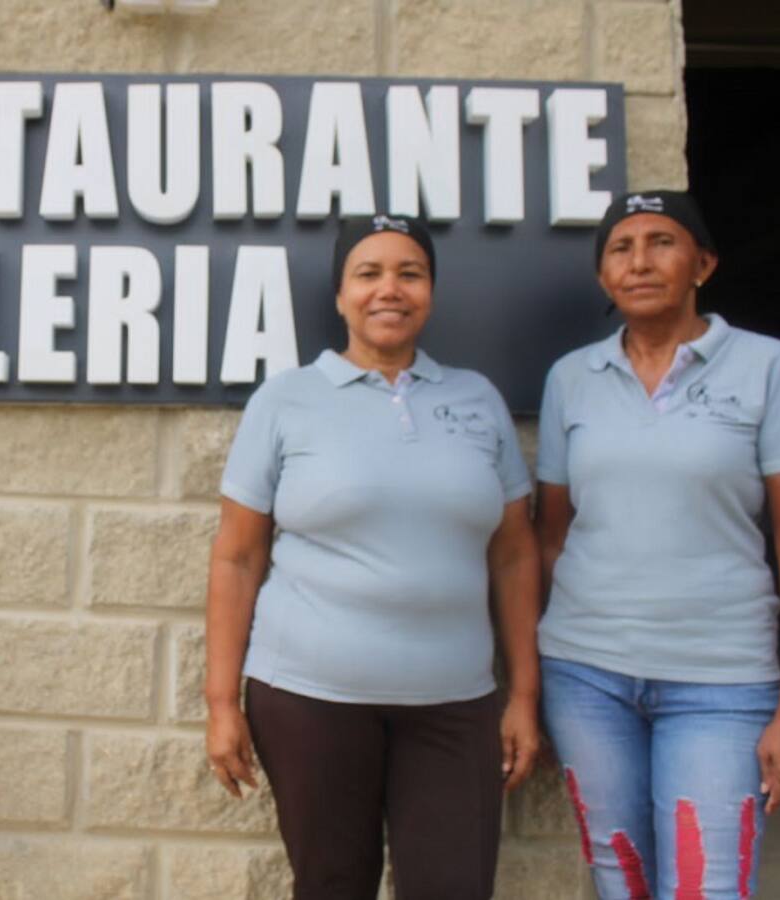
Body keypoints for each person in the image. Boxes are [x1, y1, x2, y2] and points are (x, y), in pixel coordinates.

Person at [204, 214, 541, 900]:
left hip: (455, 703)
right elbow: (237, 558)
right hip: (308, 697)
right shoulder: (286, 400)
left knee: (454, 887)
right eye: (369, 273)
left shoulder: (476, 399)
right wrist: (219, 701)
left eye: (409, 273)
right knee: (332, 885)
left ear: (431, 293)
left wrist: (525, 696)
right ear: (339, 295)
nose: (390, 289)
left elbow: (513, 556)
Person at [537, 190, 780, 899]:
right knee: (624, 879)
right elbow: (550, 537)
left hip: (724, 680)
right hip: (586, 677)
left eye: (662, 242)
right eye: (621, 247)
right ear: (603, 277)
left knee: (707, 887)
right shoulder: (572, 378)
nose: (640, 261)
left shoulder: (765, 367)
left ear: (703, 263)